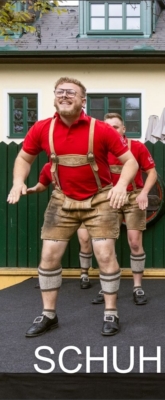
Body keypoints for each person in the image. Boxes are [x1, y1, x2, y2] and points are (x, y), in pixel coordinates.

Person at [7, 77, 138, 337]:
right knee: (48, 257)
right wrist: (18, 182)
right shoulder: (42, 129)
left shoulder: (102, 130)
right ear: (54, 97)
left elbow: (131, 162)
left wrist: (121, 185)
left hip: (100, 199)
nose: (64, 96)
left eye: (71, 92)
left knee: (105, 255)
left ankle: (111, 312)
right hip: (62, 199)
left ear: (82, 100)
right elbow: (24, 157)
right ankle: (48, 315)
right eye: (60, 92)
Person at [91, 113, 157, 306]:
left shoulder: (136, 147)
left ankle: (137, 287)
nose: (112, 130)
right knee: (105, 245)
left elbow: (152, 172)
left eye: (115, 127)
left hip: (133, 197)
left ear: (124, 129)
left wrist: (144, 193)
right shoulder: (98, 149)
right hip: (108, 198)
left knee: (135, 243)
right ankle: (107, 286)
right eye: (108, 127)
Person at [27, 163, 94, 290]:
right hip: (61, 207)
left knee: (85, 239)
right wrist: (33, 189)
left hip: (84, 205)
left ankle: (84, 274)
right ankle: (47, 276)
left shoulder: (83, 163)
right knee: (51, 244)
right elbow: (42, 184)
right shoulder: (48, 167)